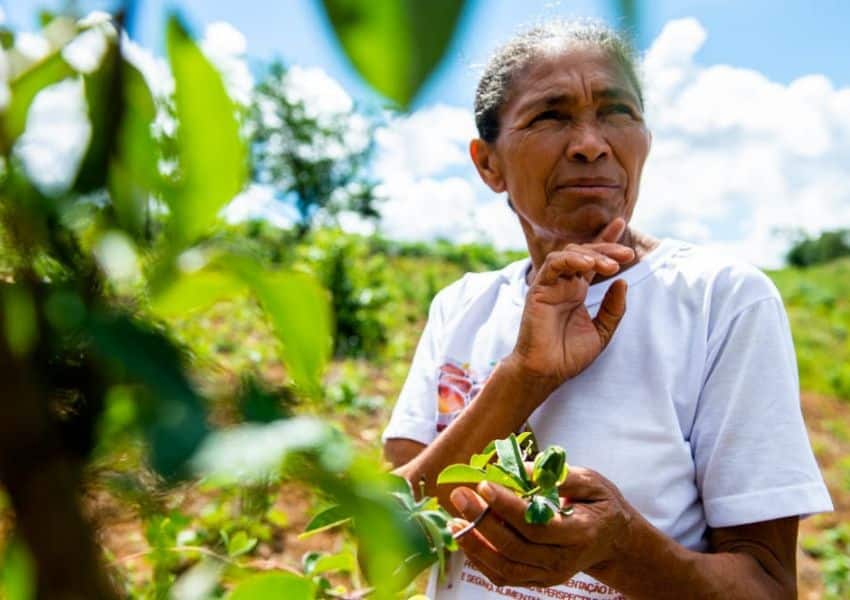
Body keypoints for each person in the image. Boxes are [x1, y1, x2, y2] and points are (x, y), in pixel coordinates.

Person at [382, 19, 832, 600]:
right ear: (488, 164)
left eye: (618, 111)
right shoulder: (463, 306)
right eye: (551, 115)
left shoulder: (721, 301)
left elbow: (768, 587)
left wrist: (621, 549)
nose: (591, 143)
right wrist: (523, 377)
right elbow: (384, 550)